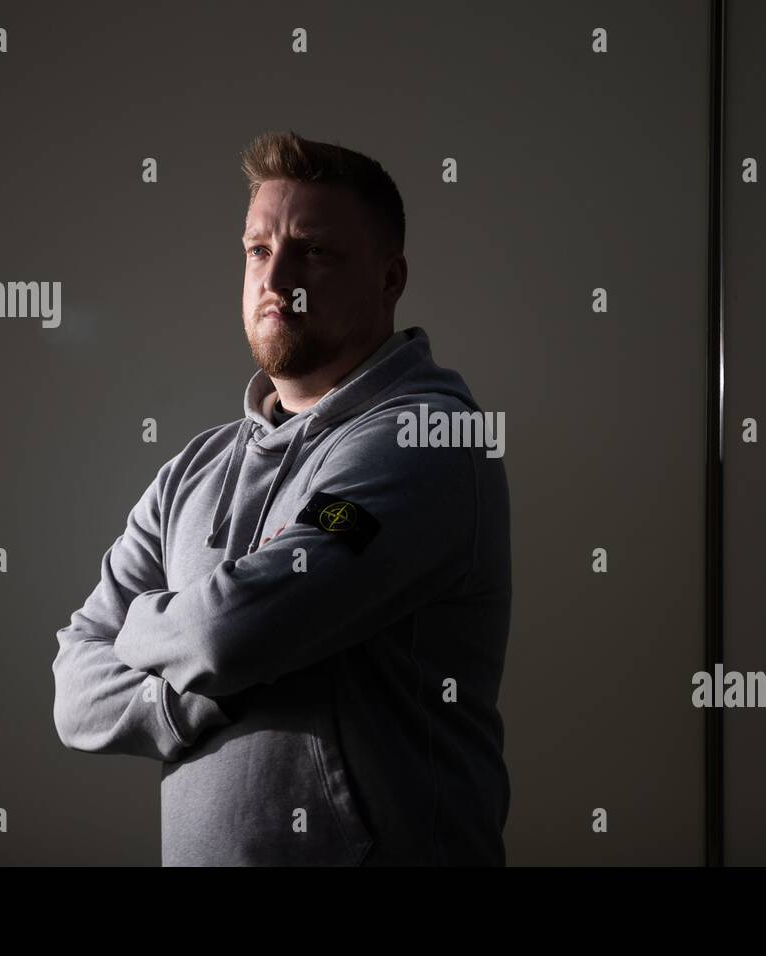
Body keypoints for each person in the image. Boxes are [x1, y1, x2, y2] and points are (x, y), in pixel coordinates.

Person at [52, 130, 512, 865]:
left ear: (390, 278)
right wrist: (203, 681)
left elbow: (225, 636)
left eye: (314, 252)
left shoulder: (431, 438)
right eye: (258, 250)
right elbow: (74, 689)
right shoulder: (192, 470)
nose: (276, 277)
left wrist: (169, 636)